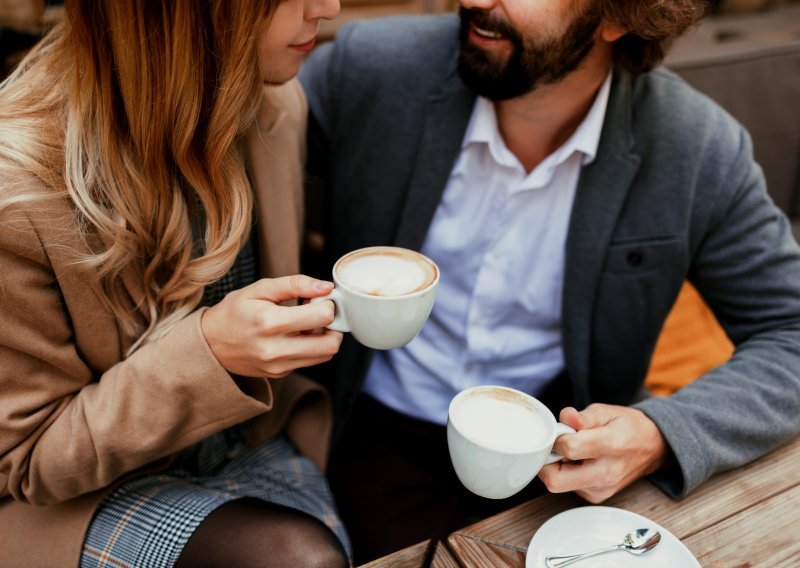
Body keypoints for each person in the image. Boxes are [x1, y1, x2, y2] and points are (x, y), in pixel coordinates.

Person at [299, 0, 800, 562]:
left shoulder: (697, 149)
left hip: (563, 448)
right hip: (374, 432)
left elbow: (791, 331)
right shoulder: (372, 68)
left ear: (622, 15)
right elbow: (232, 160)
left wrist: (662, 433)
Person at [0, 0, 352, 567]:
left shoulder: (276, 105)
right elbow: (27, 461)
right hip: (84, 497)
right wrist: (209, 352)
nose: (330, 8)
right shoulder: (18, 189)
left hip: (250, 442)